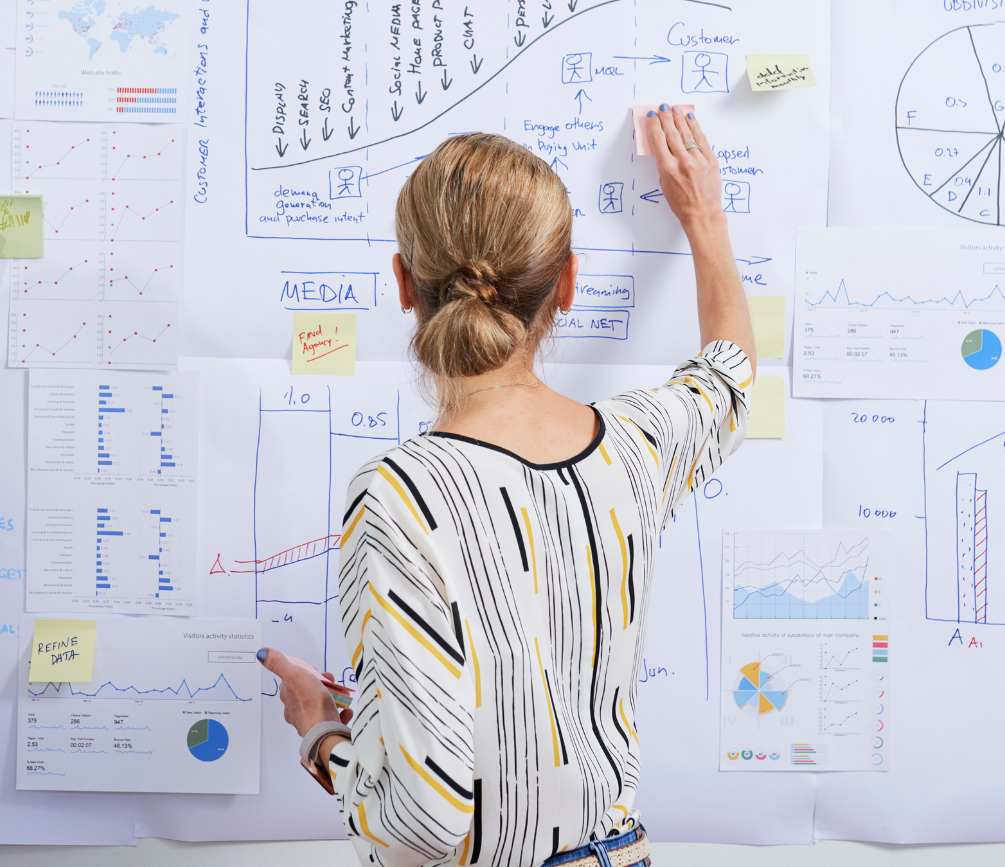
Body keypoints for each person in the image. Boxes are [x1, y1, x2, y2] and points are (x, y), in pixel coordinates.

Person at [259, 104, 756, 867]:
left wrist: (321, 735)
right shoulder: (637, 447)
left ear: (403, 283)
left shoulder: (400, 495)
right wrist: (704, 216)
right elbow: (729, 376)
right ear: (568, 284)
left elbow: (421, 823)